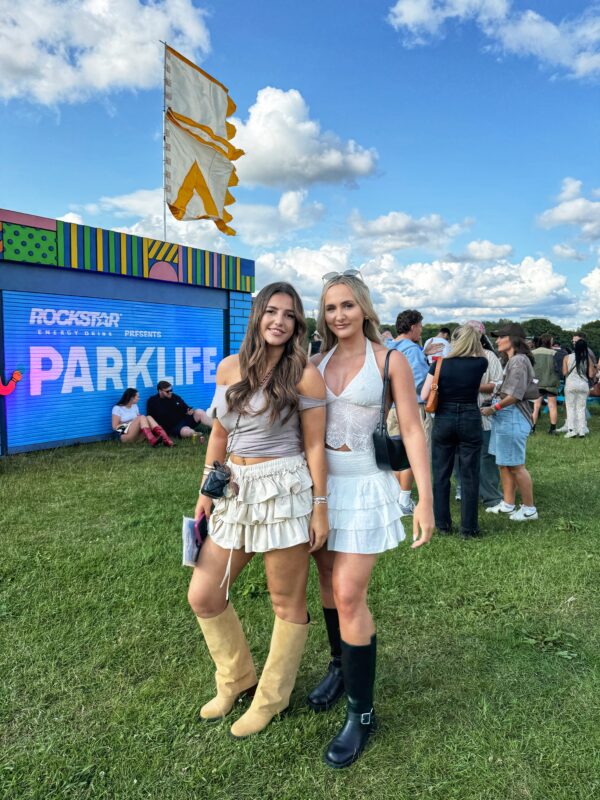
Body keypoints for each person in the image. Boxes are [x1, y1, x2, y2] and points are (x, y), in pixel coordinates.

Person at [188, 282, 328, 739]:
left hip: (283, 489)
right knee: (204, 594)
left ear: (297, 323)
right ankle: (236, 678)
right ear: (257, 316)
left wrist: (319, 507)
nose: (279, 321)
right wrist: (206, 488)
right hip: (233, 488)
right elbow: (219, 434)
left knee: (285, 601)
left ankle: (272, 697)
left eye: (288, 315)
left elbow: (314, 446)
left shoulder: (304, 373)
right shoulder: (229, 367)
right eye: (271, 311)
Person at [308, 273, 434, 769]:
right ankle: (340, 667)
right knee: (325, 580)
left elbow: (412, 429)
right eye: (330, 307)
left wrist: (424, 498)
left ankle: (361, 714)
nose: (339, 315)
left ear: (363, 308)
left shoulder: (389, 360)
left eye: (347, 305)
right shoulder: (314, 362)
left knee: (348, 592)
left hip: (365, 485)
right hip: (321, 488)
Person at [421, 325, 488, 538]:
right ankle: (468, 528)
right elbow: (481, 353)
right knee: (470, 474)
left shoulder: (440, 363)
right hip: (470, 416)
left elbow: (424, 395)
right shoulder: (481, 363)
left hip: (444, 417)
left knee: (441, 473)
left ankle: (442, 524)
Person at [386, 309, 440, 514]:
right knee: (412, 453)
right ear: (413, 326)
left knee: (395, 452)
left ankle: (394, 496)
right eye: (420, 326)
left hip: (390, 408)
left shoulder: (388, 347)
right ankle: (404, 499)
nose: (421, 330)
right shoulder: (413, 350)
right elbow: (419, 383)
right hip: (411, 408)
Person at [483, 323, 538, 522]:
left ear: (513, 339)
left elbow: (514, 395)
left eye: (501, 336)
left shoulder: (519, 361)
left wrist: (493, 408)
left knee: (516, 465)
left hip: (513, 416)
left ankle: (529, 509)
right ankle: (508, 503)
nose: (497, 340)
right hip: (506, 417)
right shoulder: (511, 360)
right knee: (504, 463)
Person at [147, 382, 212, 440]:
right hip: (172, 427)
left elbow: (186, 408)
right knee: (186, 431)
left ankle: (215, 428)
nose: (170, 392)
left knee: (199, 412)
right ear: (160, 391)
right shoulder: (153, 401)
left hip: (183, 420)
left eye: (171, 390)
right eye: (167, 391)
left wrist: (189, 411)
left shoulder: (175, 397)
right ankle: (197, 434)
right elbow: (151, 419)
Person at [563, 339, 594, 438]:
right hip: (583, 385)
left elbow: (564, 372)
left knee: (570, 408)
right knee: (581, 408)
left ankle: (571, 430)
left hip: (571, 385)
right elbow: (591, 374)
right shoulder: (587, 358)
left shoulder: (567, 357)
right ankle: (581, 430)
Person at [531, 334, 561, 434]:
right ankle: (553, 429)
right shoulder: (554, 353)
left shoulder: (533, 353)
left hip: (536, 383)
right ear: (549, 341)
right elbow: (557, 368)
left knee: (536, 406)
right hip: (550, 383)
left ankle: (532, 428)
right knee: (552, 406)